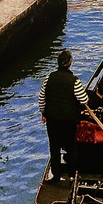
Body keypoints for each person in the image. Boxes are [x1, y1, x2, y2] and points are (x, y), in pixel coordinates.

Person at [38, 50, 88, 178]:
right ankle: (72, 175)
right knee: (71, 147)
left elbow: (41, 99)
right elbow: (84, 100)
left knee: (54, 147)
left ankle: (56, 175)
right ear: (69, 64)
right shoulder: (74, 81)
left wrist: (44, 113)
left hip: (52, 119)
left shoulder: (49, 78)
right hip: (68, 120)